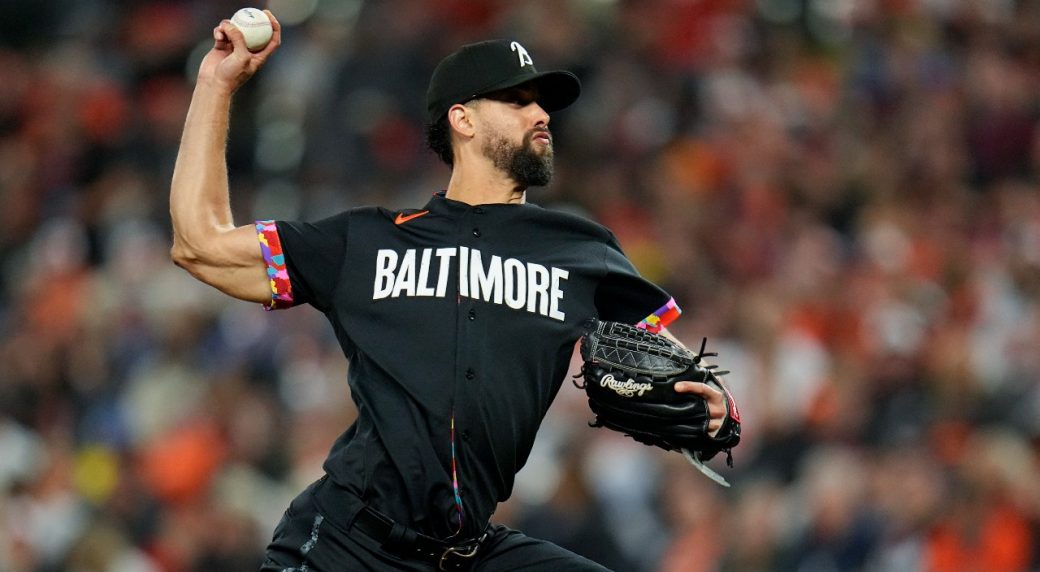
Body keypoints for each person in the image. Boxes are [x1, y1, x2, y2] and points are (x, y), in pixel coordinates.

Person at [169, 10, 730, 571]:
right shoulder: (366, 242)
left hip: (465, 553)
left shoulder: (582, 250)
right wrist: (215, 84)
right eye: (517, 100)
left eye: (541, 103)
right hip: (348, 544)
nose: (541, 114)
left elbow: (676, 368)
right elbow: (199, 244)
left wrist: (715, 409)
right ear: (462, 119)